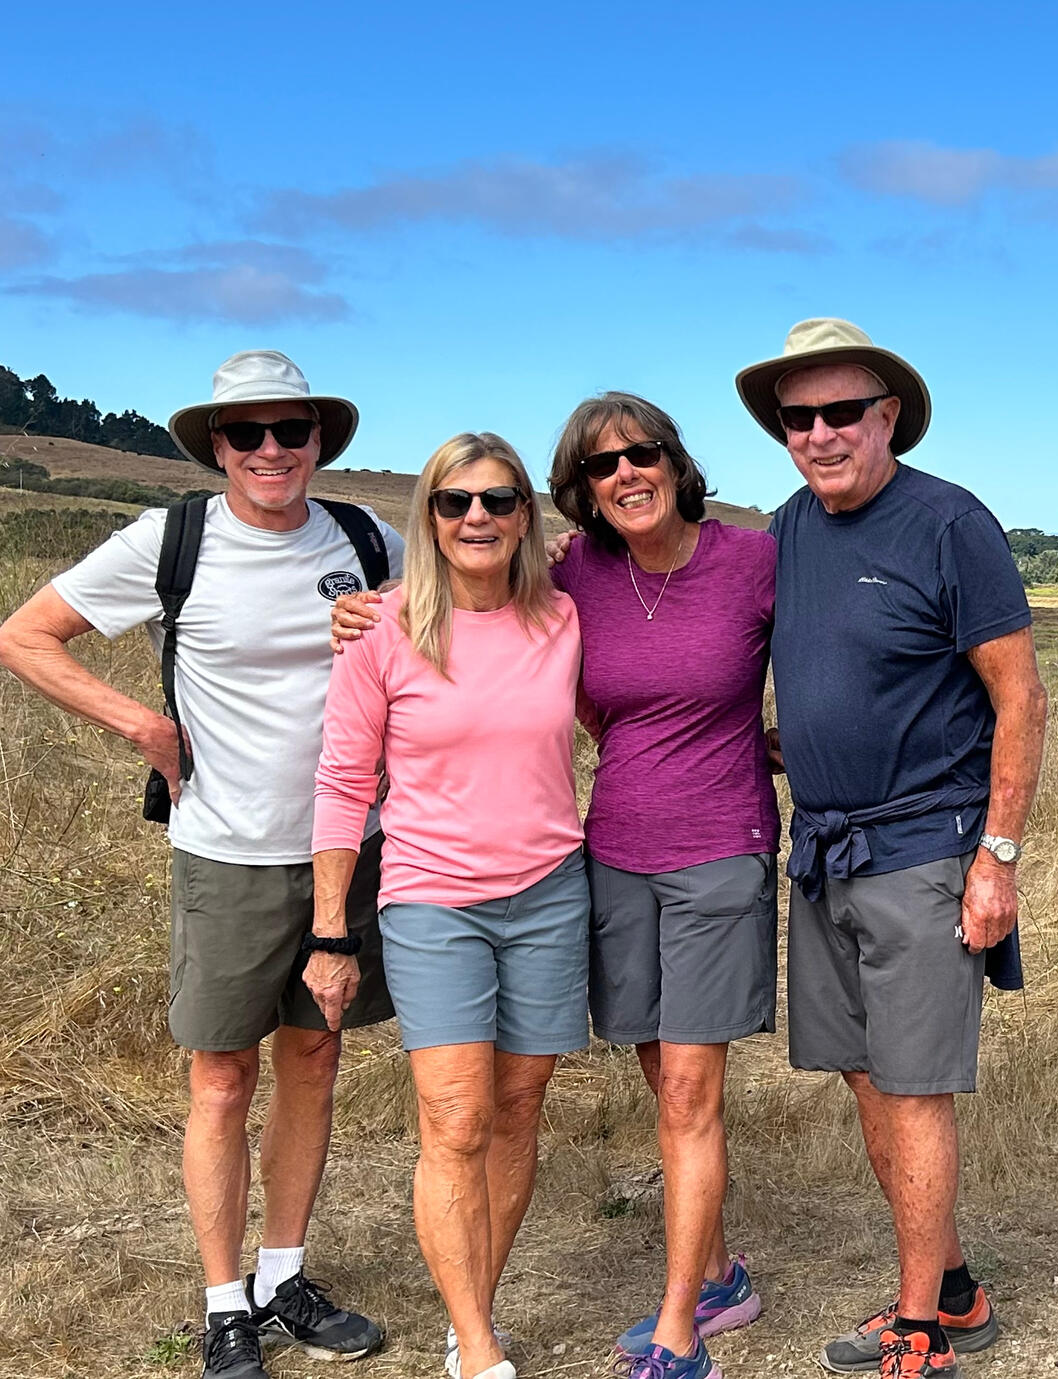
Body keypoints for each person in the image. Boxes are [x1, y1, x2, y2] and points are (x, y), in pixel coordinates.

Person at [333, 395, 778, 1379]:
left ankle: (680, 1324)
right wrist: (365, 608)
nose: (625, 473)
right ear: (577, 493)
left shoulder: (748, 561)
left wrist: (814, 751)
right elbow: (487, 634)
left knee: (683, 1092)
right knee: (653, 1078)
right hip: (606, 855)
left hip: (706, 853)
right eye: (599, 465)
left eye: (641, 453)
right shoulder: (577, 577)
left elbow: (841, 658)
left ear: (673, 458)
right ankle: (709, 1269)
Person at [0, 351, 400, 1378]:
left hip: (349, 850)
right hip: (223, 851)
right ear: (216, 446)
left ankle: (283, 1275)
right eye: (247, 433)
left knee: (313, 1059)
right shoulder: (170, 540)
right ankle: (225, 1302)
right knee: (221, 1076)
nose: (271, 450)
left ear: (318, 439)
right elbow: (27, 635)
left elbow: (459, 627)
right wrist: (141, 722)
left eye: (291, 430)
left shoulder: (368, 539)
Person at [735, 319, 1049, 1379]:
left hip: (927, 849)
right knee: (867, 1077)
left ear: (887, 418)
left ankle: (915, 1324)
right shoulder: (784, 528)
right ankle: (953, 1290)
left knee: (912, 1086)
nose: (819, 434)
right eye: (798, 417)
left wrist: (996, 855)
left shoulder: (948, 523)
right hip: (823, 853)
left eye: (840, 413)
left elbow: (1018, 696)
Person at [311, 432, 588, 1379]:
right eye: (454, 501)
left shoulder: (564, 618)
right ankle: (474, 1347)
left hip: (552, 891)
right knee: (456, 1118)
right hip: (433, 900)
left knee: (519, 1107)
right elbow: (344, 781)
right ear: (427, 515)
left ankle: (479, 1305)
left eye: (499, 500)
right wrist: (328, 927)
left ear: (525, 516)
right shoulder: (383, 628)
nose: (477, 517)